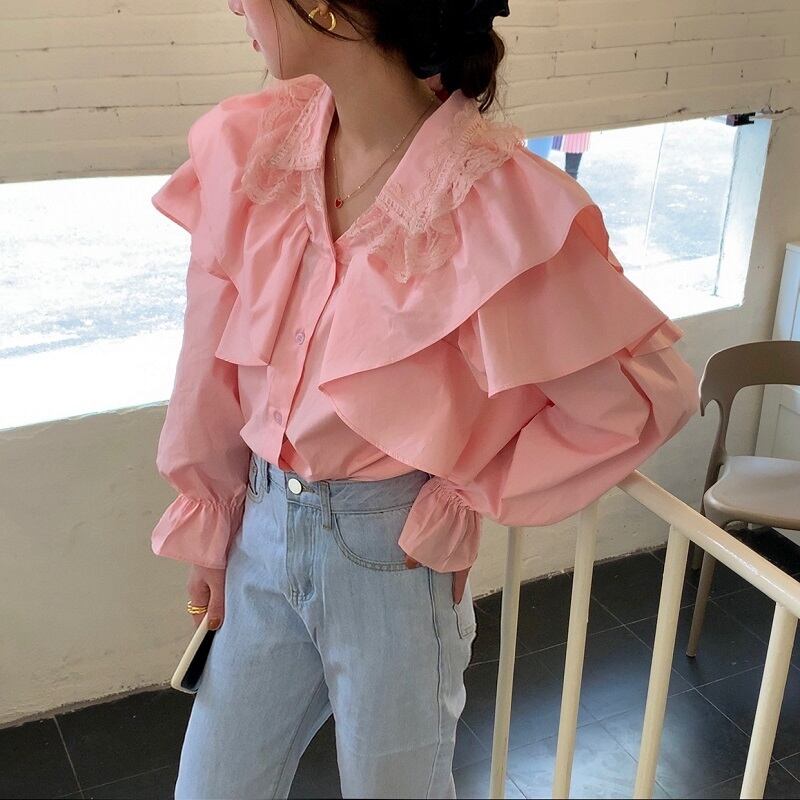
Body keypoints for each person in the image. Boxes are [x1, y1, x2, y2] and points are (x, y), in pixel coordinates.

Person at [149, 1, 701, 798]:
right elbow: (207, 360)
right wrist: (212, 519)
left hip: (389, 559)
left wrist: (463, 491)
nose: (236, 3)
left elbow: (645, 395)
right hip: (259, 542)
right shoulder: (254, 148)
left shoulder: (492, 200)